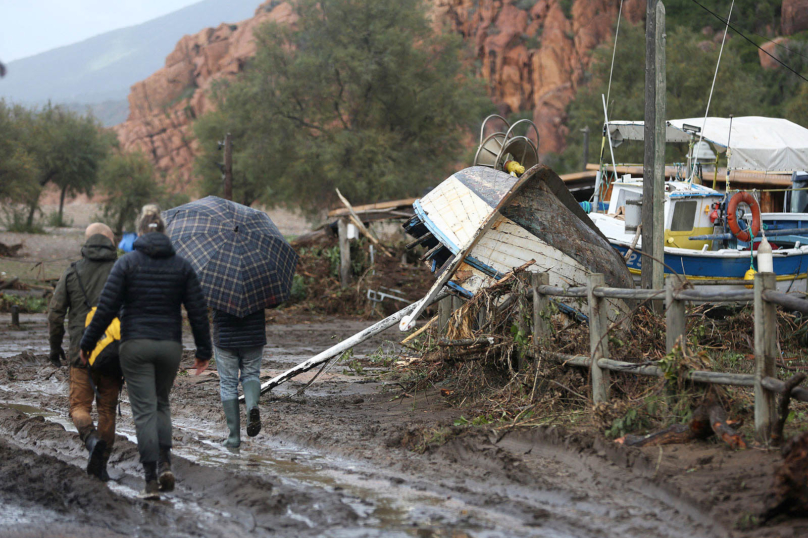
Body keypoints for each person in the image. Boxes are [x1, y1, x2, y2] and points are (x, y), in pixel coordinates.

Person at [80, 204, 211, 500]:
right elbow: (197, 311)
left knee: (144, 411)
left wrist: (87, 344)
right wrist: (204, 350)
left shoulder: (126, 264)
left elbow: (106, 308)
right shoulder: (182, 265)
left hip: (135, 345)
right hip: (169, 346)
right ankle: (166, 462)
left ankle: (151, 480)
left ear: (139, 231)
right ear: (165, 232)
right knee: (161, 403)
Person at [48, 223, 120, 481]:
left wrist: (55, 348)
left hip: (81, 351)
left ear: (87, 242)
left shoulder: (72, 271)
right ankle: (101, 467)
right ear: (112, 243)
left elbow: (55, 314)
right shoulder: (121, 271)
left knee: (79, 407)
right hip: (113, 352)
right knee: (108, 410)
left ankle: (90, 441)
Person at [213, 308, 266, 448]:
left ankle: (234, 437)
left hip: (225, 337)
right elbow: (273, 303)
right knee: (251, 375)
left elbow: (205, 299)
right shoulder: (258, 285)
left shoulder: (218, 286)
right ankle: (252, 406)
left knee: (228, 383)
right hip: (254, 335)